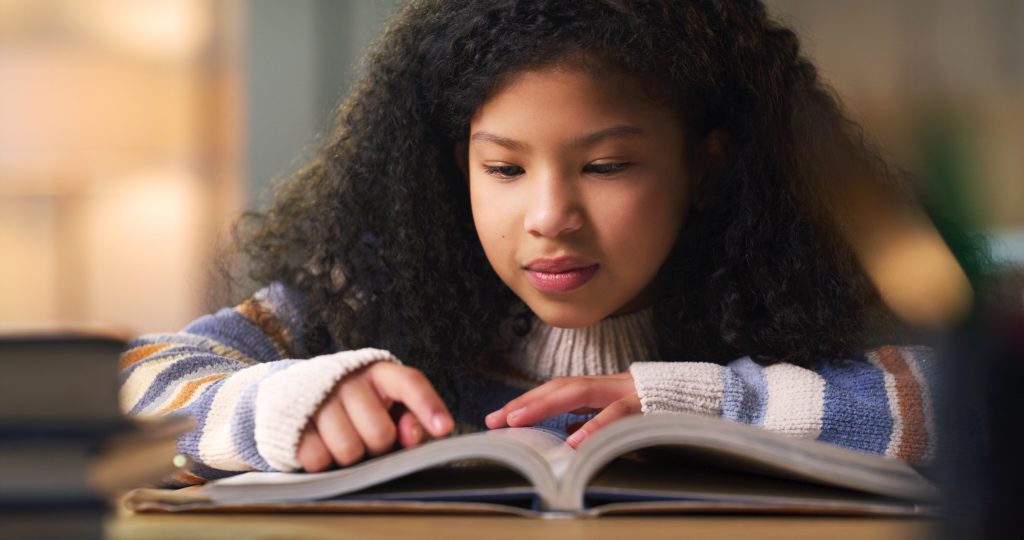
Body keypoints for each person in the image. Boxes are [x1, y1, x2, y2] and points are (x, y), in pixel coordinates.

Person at [119, 0, 939, 485]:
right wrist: (288, 403)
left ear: (703, 167)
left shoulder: (791, 288)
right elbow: (134, 381)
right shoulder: (374, 286)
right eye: (504, 168)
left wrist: (706, 405)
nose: (550, 216)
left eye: (608, 165)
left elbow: (973, 401)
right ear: (457, 166)